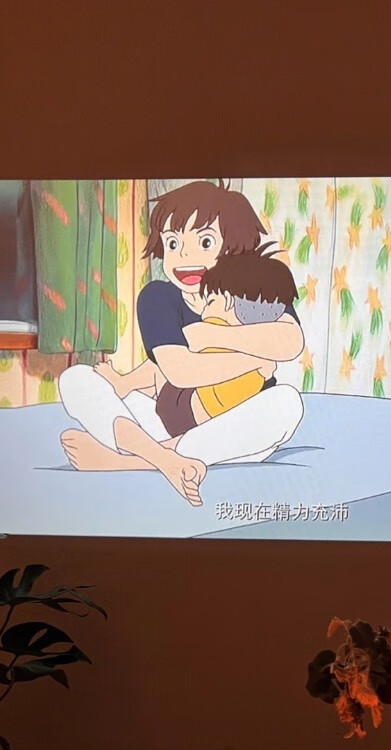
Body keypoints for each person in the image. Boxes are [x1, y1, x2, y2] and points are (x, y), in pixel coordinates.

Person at [58, 181, 304, 506]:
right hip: (170, 419)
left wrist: (213, 335)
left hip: (232, 425)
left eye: (204, 241)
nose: (184, 255)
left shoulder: (247, 289)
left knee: (287, 403)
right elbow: (178, 371)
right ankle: (167, 460)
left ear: (233, 246)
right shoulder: (159, 297)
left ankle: (127, 461)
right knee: (75, 379)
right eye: (172, 243)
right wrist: (256, 359)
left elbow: (290, 340)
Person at [95, 243, 298, 441]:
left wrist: (208, 335)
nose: (204, 311)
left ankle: (126, 384)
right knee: (167, 363)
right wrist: (258, 362)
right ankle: (130, 386)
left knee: (161, 366)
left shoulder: (209, 327)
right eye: (172, 244)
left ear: (228, 301)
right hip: (205, 408)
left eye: (210, 301)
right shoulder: (252, 342)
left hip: (182, 411)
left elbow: (182, 360)